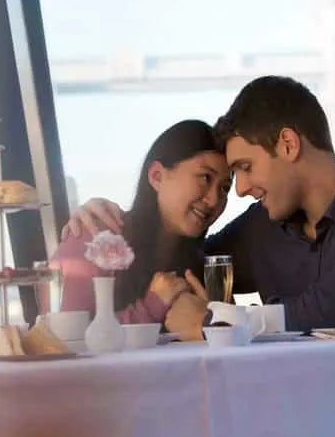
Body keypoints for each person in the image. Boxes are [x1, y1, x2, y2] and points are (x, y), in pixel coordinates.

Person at [63, 76, 335, 337]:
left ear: (288, 145)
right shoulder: (262, 226)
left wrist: (220, 323)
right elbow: (183, 269)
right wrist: (107, 226)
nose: (240, 190)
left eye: (244, 169)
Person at [49, 120, 230, 336]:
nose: (214, 199)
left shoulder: (204, 267)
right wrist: (151, 307)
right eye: (205, 178)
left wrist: (210, 322)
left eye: (225, 188)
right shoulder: (93, 238)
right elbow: (65, 339)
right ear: (157, 176)